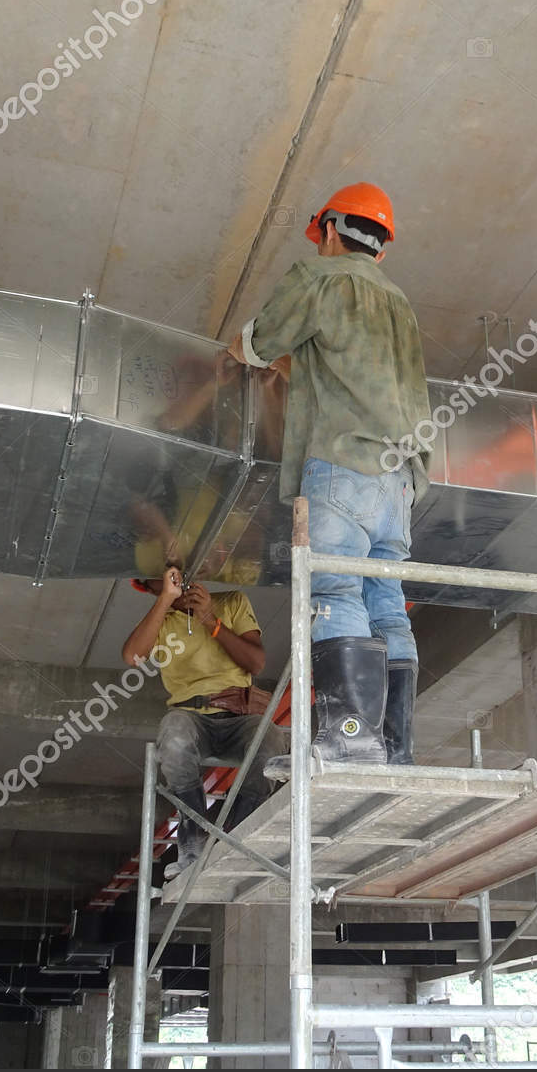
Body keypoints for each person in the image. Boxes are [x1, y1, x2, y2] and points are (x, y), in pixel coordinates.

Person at [224, 182, 430, 767]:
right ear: (382, 248)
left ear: (331, 230)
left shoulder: (319, 277)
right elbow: (353, 370)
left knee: (335, 592)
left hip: (342, 465)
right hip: (398, 482)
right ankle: (392, 748)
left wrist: (230, 355)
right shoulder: (401, 305)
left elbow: (260, 342)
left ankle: (347, 740)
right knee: (386, 602)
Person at [123, 562, 280, 878]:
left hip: (240, 716)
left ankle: (233, 838)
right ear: (150, 588)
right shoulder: (162, 622)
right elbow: (133, 657)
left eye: (175, 575)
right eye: (159, 580)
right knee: (174, 732)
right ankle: (193, 842)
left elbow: (256, 662)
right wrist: (166, 600)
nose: (171, 580)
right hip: (191, 716)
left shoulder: (232, 601)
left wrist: (210, 619)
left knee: (270, 740)